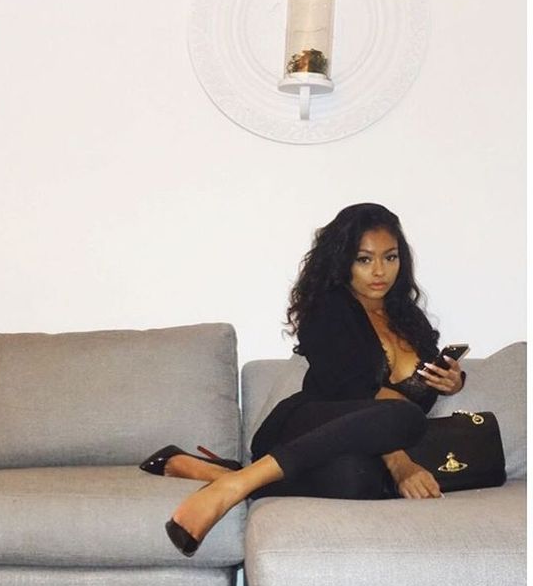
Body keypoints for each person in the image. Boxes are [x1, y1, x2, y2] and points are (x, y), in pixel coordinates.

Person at [139, 203, 466, 557]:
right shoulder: (328, 309)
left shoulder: (408, 316)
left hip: (353, 450)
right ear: (344, 261)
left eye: (390, 258)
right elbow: (357, 392)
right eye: (364, 259)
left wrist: (453, 380)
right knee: (404, 416)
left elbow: (426, 380)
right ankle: (232, 489)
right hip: (307, 426)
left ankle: (220, 474)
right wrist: (401, 463)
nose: (379, 271)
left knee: (357, 480)